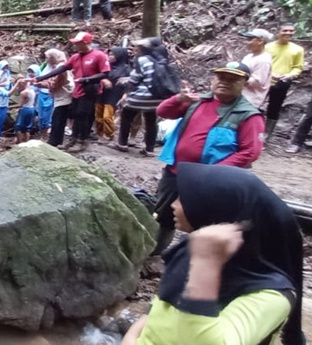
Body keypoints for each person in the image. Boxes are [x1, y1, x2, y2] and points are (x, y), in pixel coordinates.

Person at [122, 163, 305, 345]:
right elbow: (160, 306)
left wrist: (206, 266)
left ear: (219, 211)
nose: (173, 204)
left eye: (183, 199)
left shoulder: (272, 296)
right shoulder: (194, 249)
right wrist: (132, 336)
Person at [152, 61, 264, 255]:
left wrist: (211, 173)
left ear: (244, 83)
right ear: (212, 79)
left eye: (233, 79)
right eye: (221, 77)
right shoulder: (197, 101)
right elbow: (163, 112)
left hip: (211, 182)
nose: (225, 82)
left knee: (203, 222)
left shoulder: (248, 115)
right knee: (163, 216)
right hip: (176, 173)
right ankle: (154, 253)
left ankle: (194, 261)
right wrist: (178, 98)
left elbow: (250, 152)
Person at [37, 32, 110, 152]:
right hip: (77, 90)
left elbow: (105, 73)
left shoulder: (99, 55)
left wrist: (87, 80)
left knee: (84, 115)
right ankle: (73, 139)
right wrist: (41, 77)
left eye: (78, 43)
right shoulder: (76, 57)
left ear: (86, 42)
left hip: (90, 90)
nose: (76, 45)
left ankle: (82, 141)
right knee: (76, 115)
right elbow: (64, 67)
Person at [116, 38, 166, 156]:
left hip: (140, 97)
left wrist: (125, 94)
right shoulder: (162, 59)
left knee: (126, 117)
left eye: (138, 48)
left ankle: (122, 143)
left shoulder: (142, 60)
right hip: (156, 98)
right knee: (151, 122)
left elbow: (134, 80)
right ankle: (149, 149)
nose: (135, 50)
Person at [265, 22, 304, 140]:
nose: (288, 33)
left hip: (282, 82)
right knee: (255, 104)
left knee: (274, 108)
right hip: (265, 80)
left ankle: (266, 135)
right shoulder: (268, 47)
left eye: (291, 31)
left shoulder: (298, 49)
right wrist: (270, 73)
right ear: (278, 32)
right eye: (285, 30)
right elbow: (262, 63)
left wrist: (290, 75)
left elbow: (298, 67)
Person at [37, 49, 74, 146]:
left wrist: (40, 84)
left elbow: (56, 84)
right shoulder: (58, 67)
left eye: (48, 58)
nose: (46, 60)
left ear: (54, 58)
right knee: (57, 119)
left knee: (58, 120)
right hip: (62, 97)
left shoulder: (61, 68)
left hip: (64, 97)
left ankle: (54, 142)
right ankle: (56, 140)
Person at [96, 47, 130, 143]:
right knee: (98, 116)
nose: (110, 57)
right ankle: (100, 135)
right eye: (109, 54)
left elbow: (129, 84)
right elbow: (97, 76)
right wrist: (103, 80)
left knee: (107, 116)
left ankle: (110, 134)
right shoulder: (105, 66)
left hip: (114, 94)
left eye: (113, 55)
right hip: (102, 93)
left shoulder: (126, 69)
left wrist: (125, 95)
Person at [239, 29, 273, 109]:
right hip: (241, 96)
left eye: (250, 39)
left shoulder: (263, 60)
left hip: (250, 99)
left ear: (260, 41)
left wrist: (237, 79)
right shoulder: (248, 56)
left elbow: (257, 81)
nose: (246, 42)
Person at [15, 67, 38, 143]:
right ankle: (27, 141)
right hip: (32, 108)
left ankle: (20, 142)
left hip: (25, 109)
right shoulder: (32, 90)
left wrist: (11, 107)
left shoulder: (23, 93)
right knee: (28, 128)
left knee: (19, 127)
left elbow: (20, 104)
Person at [0, 62, 13, 142]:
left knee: (1, 119)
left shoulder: (8, 76)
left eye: (6, 68)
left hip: (4, 103)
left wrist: (11, 83)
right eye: (3, 68)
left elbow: (9, 90)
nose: (5, 70)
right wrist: (2, 83)